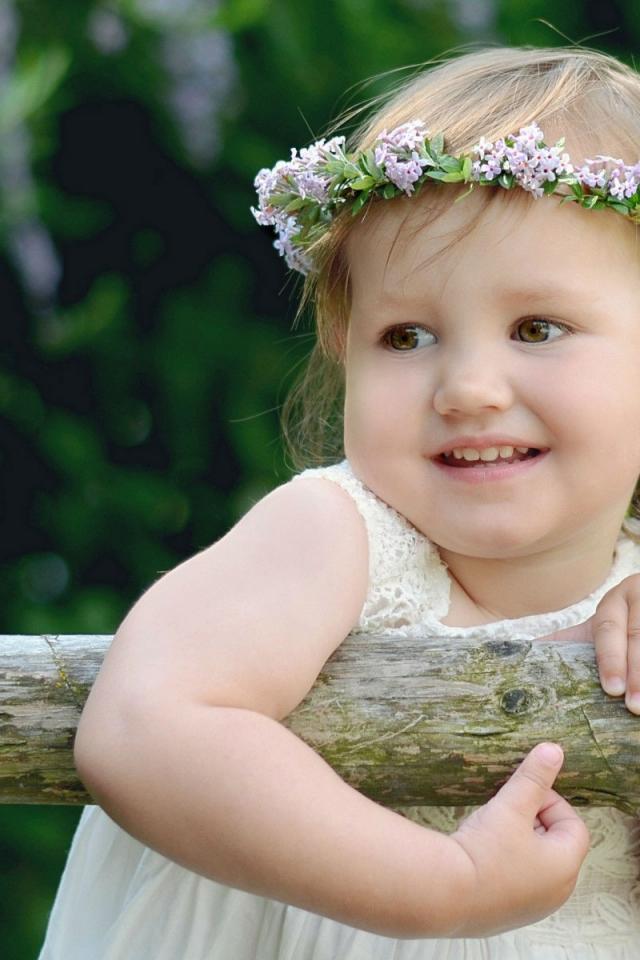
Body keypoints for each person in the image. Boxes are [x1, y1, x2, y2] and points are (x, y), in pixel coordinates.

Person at [39, 44, 640, 959]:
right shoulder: (335, 536)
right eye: (406, 337)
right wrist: (446, 885)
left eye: (537, 327)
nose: (467, 388)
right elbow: (142, 726)